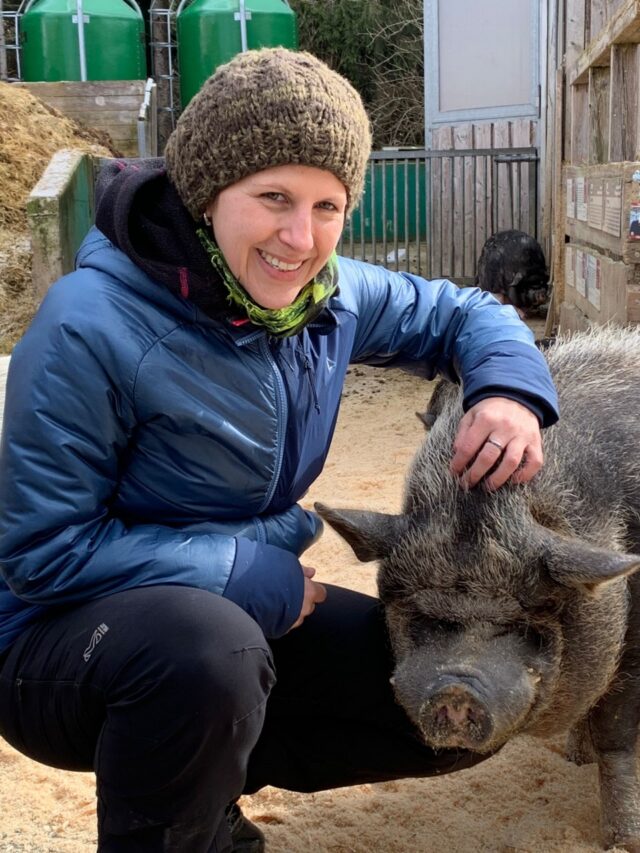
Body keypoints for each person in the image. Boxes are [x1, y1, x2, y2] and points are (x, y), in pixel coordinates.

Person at [0, 48, 558, 853]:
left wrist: (508, 389)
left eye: (328, 206)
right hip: (54, 645)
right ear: (205, 192)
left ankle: (201, 785)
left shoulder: (328, 296)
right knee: (206, 653)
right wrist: (245, 570)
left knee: (430, 694)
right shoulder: (89, 323)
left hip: (232, 617)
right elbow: (44, 553)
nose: (301, 237)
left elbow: (465, 312)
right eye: (273, 197)